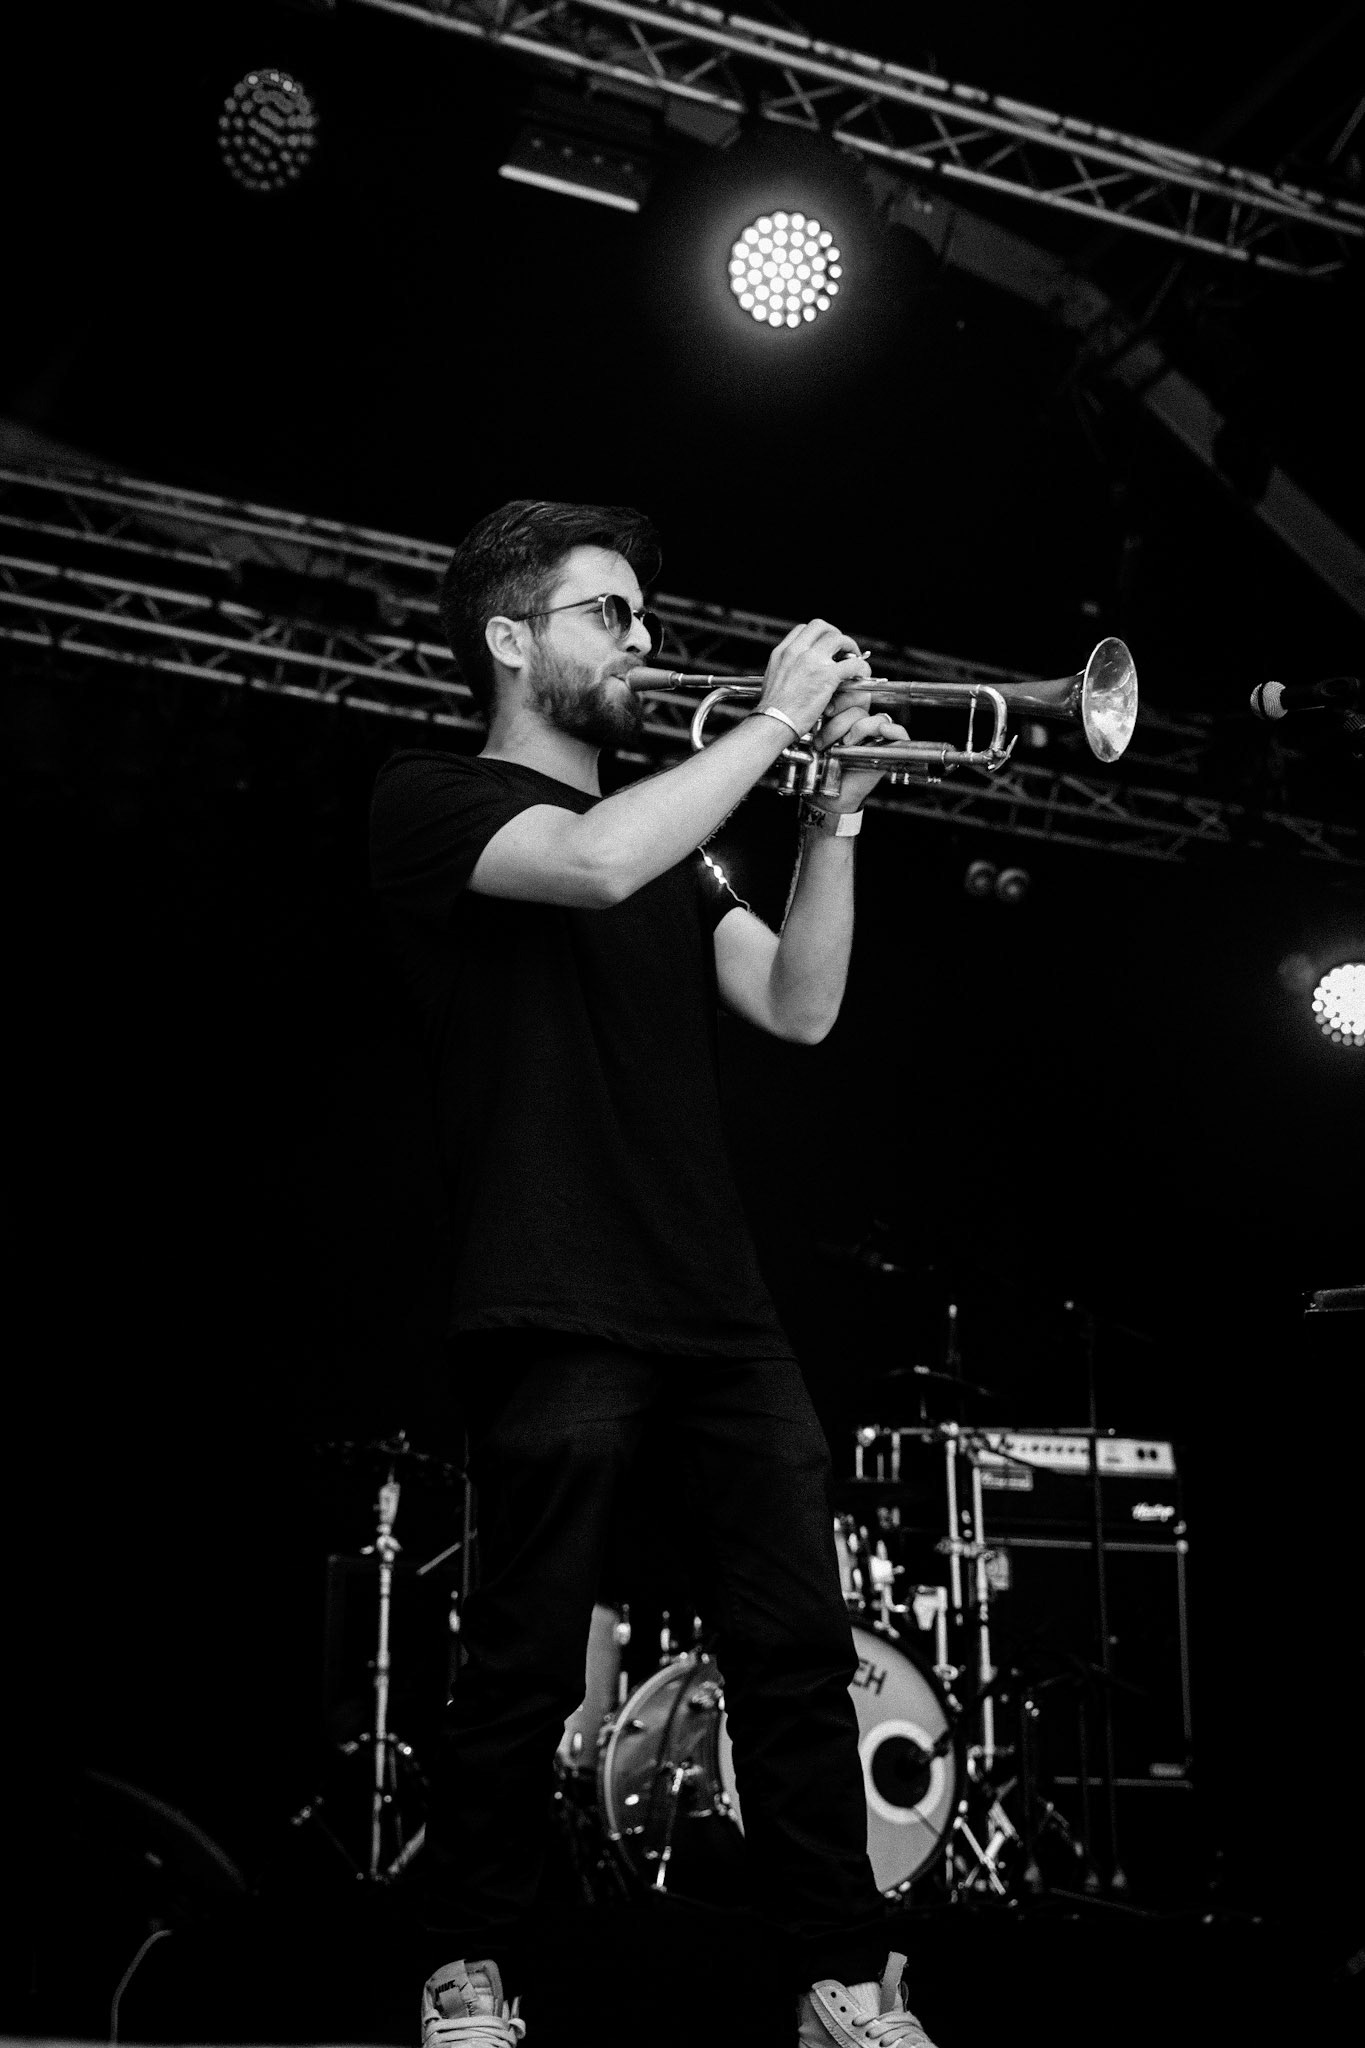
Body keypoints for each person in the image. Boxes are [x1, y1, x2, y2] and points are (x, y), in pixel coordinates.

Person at [369, 499, 939, 2048]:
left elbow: (797, 1007)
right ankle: (469, 1961)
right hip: (546, 1284)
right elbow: (588, 863)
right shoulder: (434, 797)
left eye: (638, 615)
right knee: (523, 1654)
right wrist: (769, 724)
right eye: (604, 614)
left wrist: (839, 815)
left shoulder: (681, 849)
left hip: (712, 1302)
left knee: (797, 1652)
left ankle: (840, 1978)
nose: (640, 640)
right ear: (509, 640)